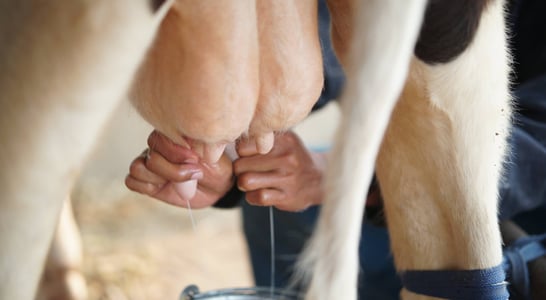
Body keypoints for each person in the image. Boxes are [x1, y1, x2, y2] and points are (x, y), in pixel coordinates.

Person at [126, 0, 546, 298]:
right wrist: (228, 161)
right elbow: (340, 41)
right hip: (420, 196)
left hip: (527, 220)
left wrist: (343, 177)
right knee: (278, 205)